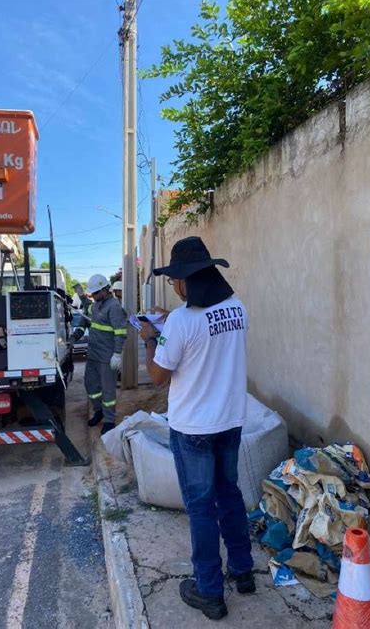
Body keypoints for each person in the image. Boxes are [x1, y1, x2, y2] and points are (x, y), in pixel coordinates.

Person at [140, 236, 254, 621]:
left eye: (175, 280)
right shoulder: (238, 309)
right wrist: (169, 319)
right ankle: (242, 570)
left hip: (193, 431)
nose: (174, 285)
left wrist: (151, 337)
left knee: (202, 509)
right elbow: (206, 329)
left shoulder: (181, 322)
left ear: (188, 279)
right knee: (230, 494)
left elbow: (157, 374)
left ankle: (209, 591)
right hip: (231, 421)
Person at [71, 274, 127, 435]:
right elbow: (86, 312)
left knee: (108, 390)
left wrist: (117, 354)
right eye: (92, 293)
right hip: (93, 355)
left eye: (96, 293)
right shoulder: (95, 305)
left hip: (107, 357)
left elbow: (121, 332)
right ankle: (99, 411)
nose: (93, 296)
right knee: (91, 385)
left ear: (105, 290)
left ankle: (109, 420)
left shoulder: (114, 307)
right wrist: (74, 337)